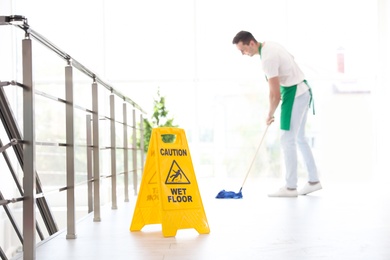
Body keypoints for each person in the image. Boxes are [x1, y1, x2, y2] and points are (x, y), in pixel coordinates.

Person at [232, 30, 322, 197]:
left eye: (242, 50)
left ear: (251, 43)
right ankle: (313, 181)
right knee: (299, 138)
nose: (243, 54)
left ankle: (290, 187)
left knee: (287, 139)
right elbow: (291, 60)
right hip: (302, 91)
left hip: (294, 94)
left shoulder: (267, 59)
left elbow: (275, 94)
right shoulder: (270, 45)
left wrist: (270, 114)